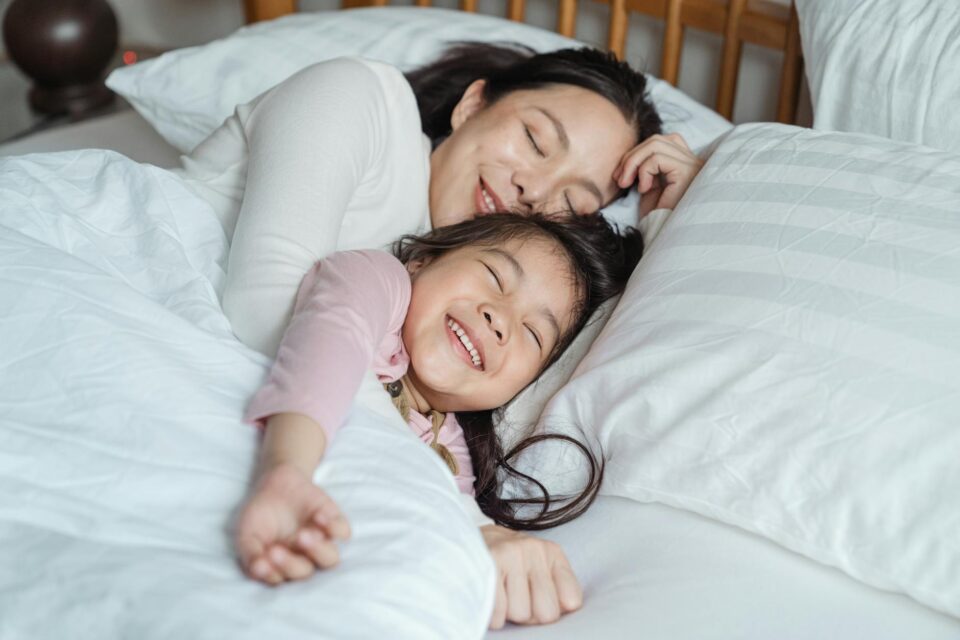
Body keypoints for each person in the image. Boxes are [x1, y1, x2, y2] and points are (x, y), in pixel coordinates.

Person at [175, 41, 701, 628]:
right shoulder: (361, 96)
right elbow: (267, 302)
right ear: (473, 103)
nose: (536, 191)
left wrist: (665, 225)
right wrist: (471, 526)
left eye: (573, 203)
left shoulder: (462, 289)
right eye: (535, 140)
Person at [234, 213, 643, 628]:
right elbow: (332, 338)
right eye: (494, 277)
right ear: (423, 260)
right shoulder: (379, 281)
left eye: (533, 334)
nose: (499, 320)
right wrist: (286, 471)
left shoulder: (456, 461)